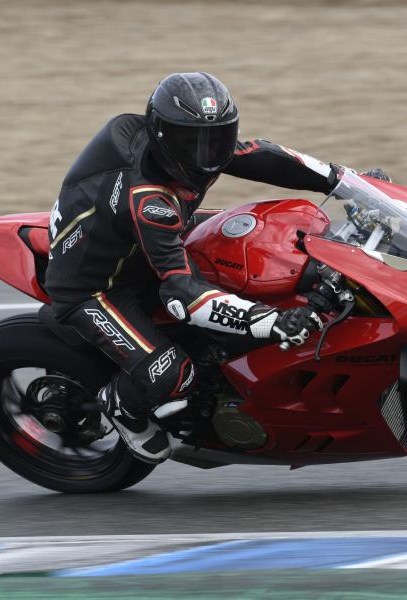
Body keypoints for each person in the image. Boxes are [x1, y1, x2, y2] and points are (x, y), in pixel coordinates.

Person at [45, 72, 349, 464]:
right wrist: (272, 322)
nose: (208, 154)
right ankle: (123, 405)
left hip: (138, 239)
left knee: (262, 243)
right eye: (193, 142)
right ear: (163, 138)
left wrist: (342, 180)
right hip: (95, 287)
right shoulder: (151, 199)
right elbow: (182, 294)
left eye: (218, 138)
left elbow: (263, 156)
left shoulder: (185, 152)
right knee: (172, 374)